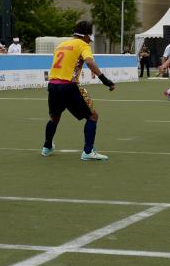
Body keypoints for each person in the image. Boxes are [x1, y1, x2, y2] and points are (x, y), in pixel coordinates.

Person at [42, 20, 115, 161]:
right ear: (86, 35)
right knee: (93, 116)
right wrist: (105, 80)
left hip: (53, 85)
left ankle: (47, 147)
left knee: (54, 117)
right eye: (90, 37)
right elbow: (89, 61)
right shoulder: (83, 44)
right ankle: (88, 152)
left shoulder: (61, 45)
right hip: (68, 85)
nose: (90, 40)